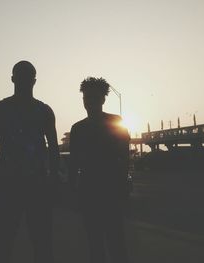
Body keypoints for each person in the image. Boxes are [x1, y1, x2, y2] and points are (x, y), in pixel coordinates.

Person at [0, 60, 60, 263]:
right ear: (34, 81)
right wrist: (52, 181)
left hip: (13, 185)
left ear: (12, 79)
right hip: (31, 185)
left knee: (2, 245)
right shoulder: (44, 111)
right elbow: (53, 150)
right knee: (41, 245)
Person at [69, 77, 130, 263]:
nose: (89, 103)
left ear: (103, 100)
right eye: (87, 98)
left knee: (115, 243)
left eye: (94, 98)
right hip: (89, 191)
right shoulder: (77, 129)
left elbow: (124, 157)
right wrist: (73, 190)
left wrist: (122, 184)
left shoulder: (114, 122)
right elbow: (74, 163)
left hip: (110, 190)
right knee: (95, 244)